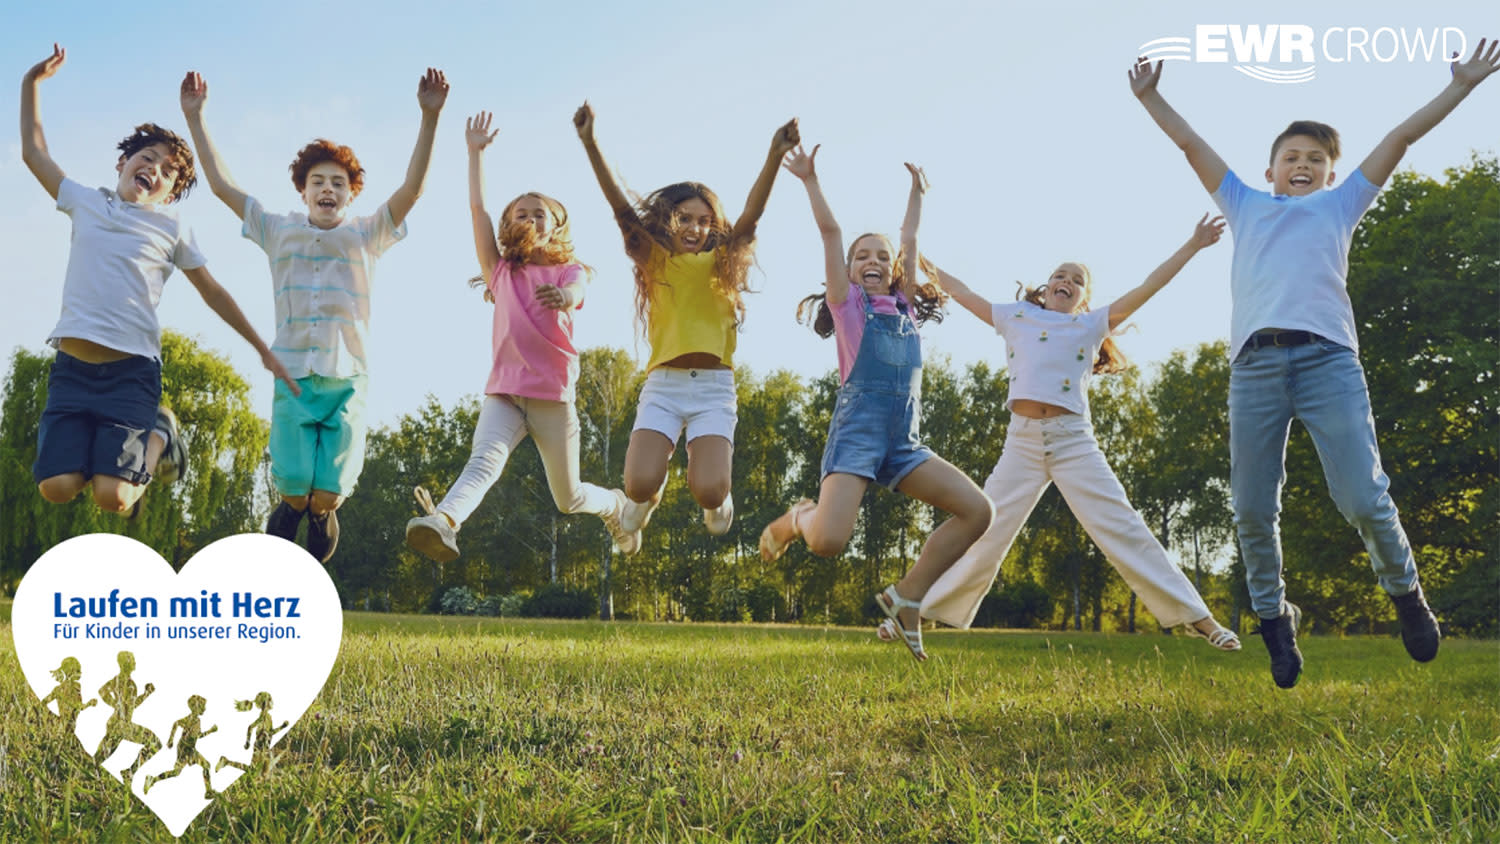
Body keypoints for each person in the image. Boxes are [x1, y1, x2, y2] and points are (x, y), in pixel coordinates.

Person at [1127, 39, 1500, 686]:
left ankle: (1406, 595)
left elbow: (1401, 136)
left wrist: (1462, 87)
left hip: (1329, 364)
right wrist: (1152, 96)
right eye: (1291, 157)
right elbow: (1191, 145)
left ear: (1333, 174)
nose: (1303, 164)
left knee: (1362, 495)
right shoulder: (1244, 203)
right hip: (1255, 370)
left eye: (1316, 159)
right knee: (1249, 508)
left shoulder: (1340, 204)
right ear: (1269, 169)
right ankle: (1274, 620)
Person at [916, 216, 1241, 652]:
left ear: (1084, 298)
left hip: (1073, 443)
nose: (1066, 280)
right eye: (1059, 275)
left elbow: (1149, 286)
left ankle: (1201, 620)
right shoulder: (1016, 317)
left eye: (1077, 279)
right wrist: (916, 256)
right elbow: (961, 290)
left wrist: (1194, 244)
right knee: (985, 525)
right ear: (1046, 286)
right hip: (1023, 443)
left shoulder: (1091, 325)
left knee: (1123, 527)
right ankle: (915, 610)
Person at [180, 66, 449, 563]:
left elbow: (413, 189)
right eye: (318, 182)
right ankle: (290, 511)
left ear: (352, 193)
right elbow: (221, 186)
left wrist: (429, 118)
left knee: (325, 494)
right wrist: (196, 119)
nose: (328, 189)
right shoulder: (277, 229)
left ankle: (322, 514)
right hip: (293, 377)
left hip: (348, 378)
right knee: (294, 487)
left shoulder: (367, 234)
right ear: (302, 191)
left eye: (339, 183)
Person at [21, 44, 293, 520]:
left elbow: (211, 290)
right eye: (146, 158)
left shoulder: (171, 226)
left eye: (167, 173)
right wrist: (31, 84)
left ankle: (161, 431)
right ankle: (96, 447)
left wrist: (261, 348)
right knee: (57, 488)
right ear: (122, 164)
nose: (154, 170)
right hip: (73, 370)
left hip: (130, 375)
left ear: (169, 193)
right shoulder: (84, 200)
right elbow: (33, 151)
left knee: (116, 499)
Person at [758, 144, 993, 661]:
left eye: (881, 257)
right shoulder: (847, 307)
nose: (874, 261)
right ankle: (800, 516)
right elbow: (831, 233)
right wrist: (810, 180)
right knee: (828, 542)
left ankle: (909, 597)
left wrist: (917, 194)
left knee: (978, 511)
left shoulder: (904, 304)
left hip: (903, 444)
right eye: (863, 256)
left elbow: (909, 239)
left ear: (895, 270)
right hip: (858, 436)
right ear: (847, 270)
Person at [405, 111, 633, 561]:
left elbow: (578, 287)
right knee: (483, 463)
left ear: (556, 225)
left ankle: (614, 505)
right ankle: (444, 523)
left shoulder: (569, 269)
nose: (530, 217)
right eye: (521, 213)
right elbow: (478, 210)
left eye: (539, 213)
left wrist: (565, 298)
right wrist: (475, 153)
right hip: (506, 394)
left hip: (552, 399)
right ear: (510, 222)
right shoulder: (501, 271)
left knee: (568, 499)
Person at [573, 102, 799, 550]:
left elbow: (752, 215)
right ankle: (645, 500)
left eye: (704, 220)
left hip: (714, 389)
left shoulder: (723, 263)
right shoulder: (654, 259)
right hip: (664, 385)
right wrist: (590, 142)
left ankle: (718, 500)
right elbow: (620, 205)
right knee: (637, 484)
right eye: (685, 218)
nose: (695, 227)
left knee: (709, 492)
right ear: (666, 221)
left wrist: (774, 154)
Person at [93, 651, 160, 782]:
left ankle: (96, 770)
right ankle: (129, 772)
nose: (135, 663)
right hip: (122, 725)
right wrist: (116, 704)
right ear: (127, 663)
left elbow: (105, 693)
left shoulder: (117, 680)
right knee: (155, 743)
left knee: (101, 755)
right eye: (133, 660)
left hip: (116, 723)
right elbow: (127, 705)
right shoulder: (130, 684)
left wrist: (145, 694)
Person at [143, 695, 218, 799]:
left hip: (188, 748)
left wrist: (210, 731)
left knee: (181, 771)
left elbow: (193, 733)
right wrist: (170, 739)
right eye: (202, 706)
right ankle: (208, 791)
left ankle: (153, 779)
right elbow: (180, 726)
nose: (204, 709)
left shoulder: (195, 720)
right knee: (202, 766)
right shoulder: (192, 720)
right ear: (197, 707)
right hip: (186, 749)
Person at [216, 691, 288, 776]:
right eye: (269, 700)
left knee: (264, 773)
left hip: (266, 746)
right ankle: (226, 762)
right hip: (260, 746)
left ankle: (227, 762)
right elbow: (251, 727)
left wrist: (282, 727)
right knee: (256, 771)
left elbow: (271, 732)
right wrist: (248, 742)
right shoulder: (263, 716)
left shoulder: (268, 717)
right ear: (265, 703)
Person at [40, 656, 96, 735]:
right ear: (71, 672)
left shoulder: (76, 687)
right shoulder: (60, 689)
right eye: (78, 670)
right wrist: (89, 704)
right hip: (63, 729)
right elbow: (77, 705)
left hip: (70, 728)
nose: (81, 673)